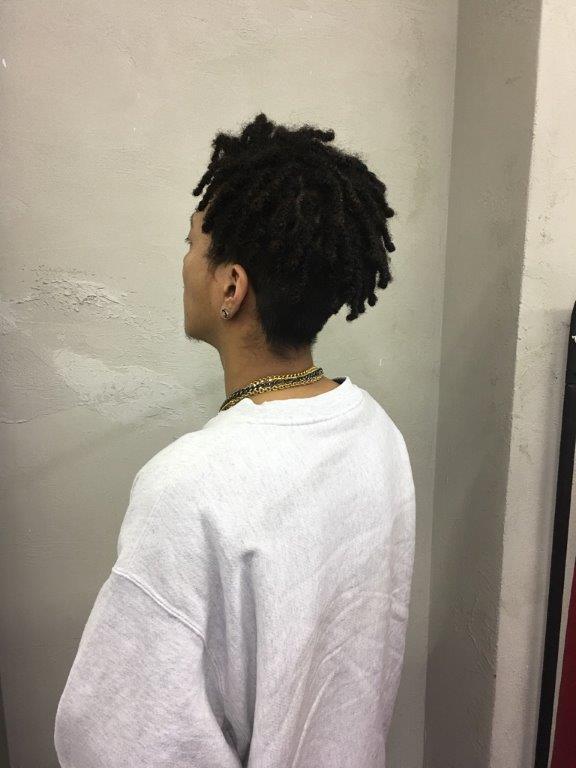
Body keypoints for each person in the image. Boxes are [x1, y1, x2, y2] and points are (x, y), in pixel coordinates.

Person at [53, 113, 416, 767]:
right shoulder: (376, 434)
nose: (185, 262)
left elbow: (114, 743)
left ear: (231, 286)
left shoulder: (187, 489)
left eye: (193, 243)